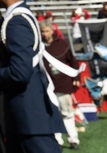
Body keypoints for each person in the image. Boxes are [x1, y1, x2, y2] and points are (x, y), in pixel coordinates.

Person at [0, 0, 65, 152]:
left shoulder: (16, 22)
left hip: (30, 116)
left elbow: (20, 72)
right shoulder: (18, 17)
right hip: (25, 115)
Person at [40, 22, 82, 150]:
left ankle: (73, 139)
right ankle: (57, 141)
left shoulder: (62, 44)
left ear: (52, 31)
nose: (45, 34)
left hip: (63, 84)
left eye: (47, 31)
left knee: (67, 113)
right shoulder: (39, 46)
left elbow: (73, 61)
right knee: (53, 114)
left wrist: (76, 77)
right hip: (47, 86)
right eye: (43, 31)